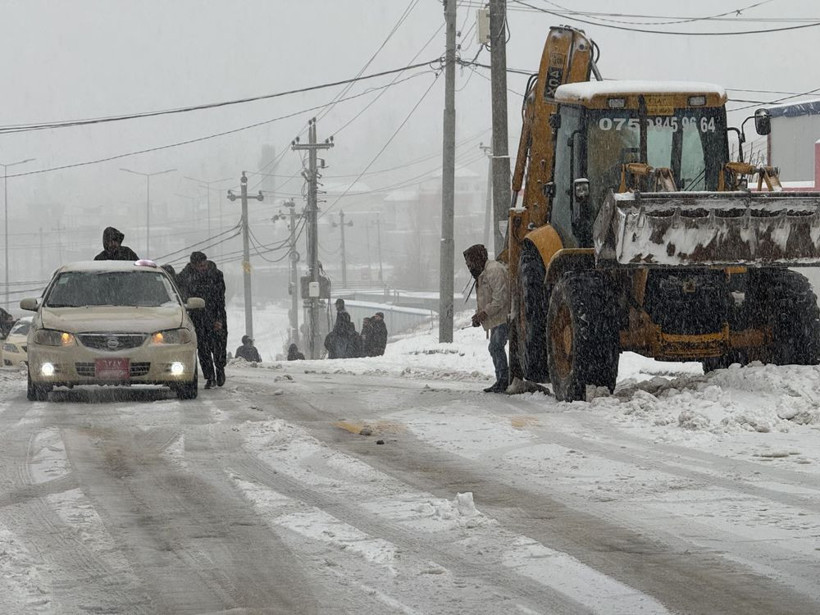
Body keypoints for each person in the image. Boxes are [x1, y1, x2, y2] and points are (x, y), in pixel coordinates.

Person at [177, 251, 227, 389]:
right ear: (193, 265)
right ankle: (209, 377)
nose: (203, 268)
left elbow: (220, 299)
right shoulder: (185, 276)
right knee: (203, 349)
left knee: (218, 346)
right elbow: (180, 291)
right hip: (197, 317)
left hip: (215, 313)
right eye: (199, 265)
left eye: (204, 264)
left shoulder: (216, 275)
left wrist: (219, 319)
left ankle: (220, 369)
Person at [463, 244, 509, 393]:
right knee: (495, 347)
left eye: (470, 263)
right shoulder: (484, 273)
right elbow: (485, 298)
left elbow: (500, 298)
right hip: (496, 318)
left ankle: (503, 380)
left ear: (478, 259)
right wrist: (479, 314)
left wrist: (484, 314)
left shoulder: (494, 271)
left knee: (495, 346)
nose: (469, 267)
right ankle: (502, 379)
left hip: (504, 317)